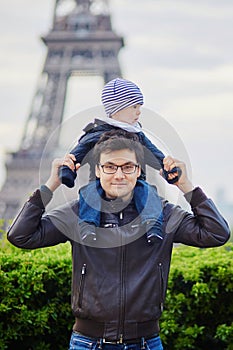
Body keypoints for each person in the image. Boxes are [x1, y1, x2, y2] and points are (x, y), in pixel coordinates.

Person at [7, 130, 230, 350]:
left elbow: (216, 233)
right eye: (110, 167)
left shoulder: (164, 214)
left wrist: (186, 186)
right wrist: (51, 185)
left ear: (138, 170)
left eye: (127, 167)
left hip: (146, 343)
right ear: (98, 170)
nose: (119, 175)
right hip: (88, 343)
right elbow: (21, 236)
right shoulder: (78, 213)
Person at [59, 78, 181, 244]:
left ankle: (153, 224)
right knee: (90, 194)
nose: (139, 112)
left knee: (148, 192)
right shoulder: (95, 134)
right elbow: (76, 155)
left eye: (139, 107)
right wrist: (67, 171)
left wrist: (167, 168)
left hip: (133, 182)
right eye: (134, 107)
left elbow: (155, 155)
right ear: (117, 109)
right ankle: (87, 225)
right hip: (100, 182)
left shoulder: (138, 134)